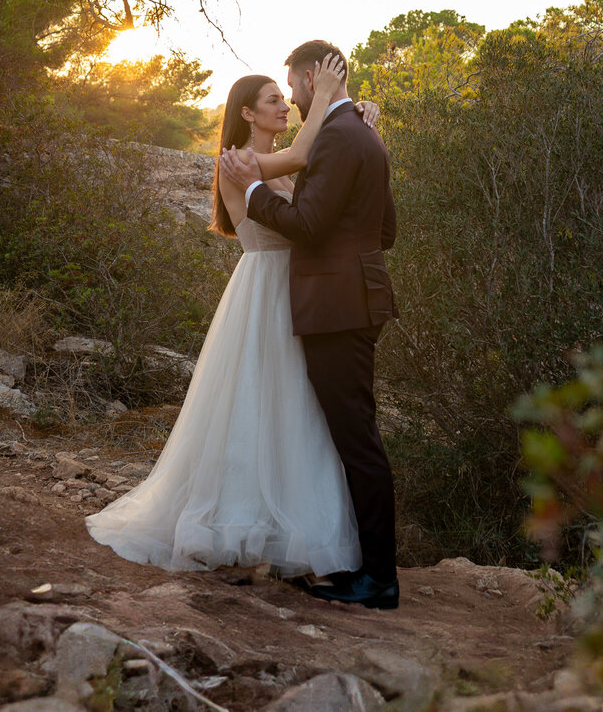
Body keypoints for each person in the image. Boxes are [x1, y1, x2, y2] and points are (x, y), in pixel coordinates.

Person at [85, 55, 381, 582]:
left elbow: (323, 171)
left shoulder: (289, 162)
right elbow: (303, 153)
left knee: (296, 412)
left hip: (304, 293)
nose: (285, 105)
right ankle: (234, 524)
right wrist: (337, 106)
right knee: (252, 405)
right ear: (247, 113)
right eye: (272, 100)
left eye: (284, 95)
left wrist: (356, 119)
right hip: (265, 291)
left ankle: (288, 529)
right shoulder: (236, 163)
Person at [219, 39, 399, 610]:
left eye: (290, 87)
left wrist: (251, 191)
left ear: (309, 78)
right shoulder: (360, 133)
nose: (291, 99)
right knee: (341, 435)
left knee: (356, 441)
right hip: (347, 298)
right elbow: (385, 229)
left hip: (336, 306)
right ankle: (355, 564)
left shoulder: (338, 136)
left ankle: (377, 579)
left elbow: (312, 223)